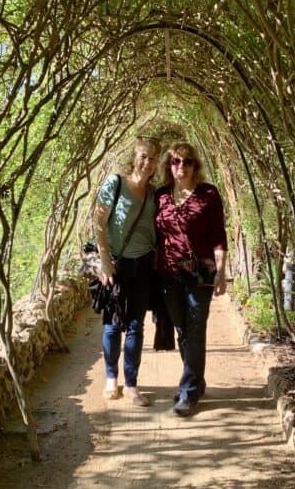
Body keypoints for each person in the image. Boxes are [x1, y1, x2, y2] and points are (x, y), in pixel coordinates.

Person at [155, 142, 228, 416]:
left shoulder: (208, 194)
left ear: (195, 165)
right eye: (175, 161)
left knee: (196, 329)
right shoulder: (160, 195)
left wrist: (221, 272)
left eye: (186, 161)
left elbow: (219, 237)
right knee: (183, 331)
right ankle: (196, 381)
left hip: (201, 271)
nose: (180, 166)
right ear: (168, 165)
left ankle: (187, 391)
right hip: (168, 273)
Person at [93, 136, 161, 406]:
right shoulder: (116, 183)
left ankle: (131, 384)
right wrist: (104, 261)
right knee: (112, 324)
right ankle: (111, 379)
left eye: (153, 158)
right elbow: (98, 222)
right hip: (116, 263)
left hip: (144, 264)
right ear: (135, 157)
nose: (148, 162)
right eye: (144, 156)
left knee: (136, 325)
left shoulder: (154, 192)